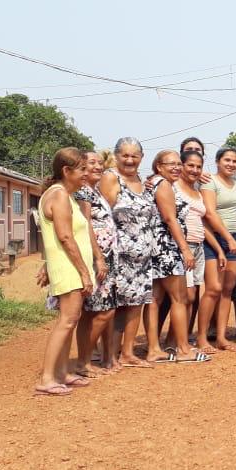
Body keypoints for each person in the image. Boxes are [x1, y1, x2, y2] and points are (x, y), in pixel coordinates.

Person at [35, 147, 95, 396]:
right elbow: (65, 237)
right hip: (68, 268)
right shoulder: (59, 195)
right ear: (67, 170)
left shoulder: (64, 195)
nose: (86, 174)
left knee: (71, 320)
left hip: (68, 267)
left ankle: (61, 373)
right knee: (67, 321)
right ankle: (47, 378)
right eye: (82, 169)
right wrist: (84, 272)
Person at [100, 137, 157, 369]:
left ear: (142, 157)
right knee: (115, 306)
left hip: (143, 257)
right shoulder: (111, 178)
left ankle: (128, 352)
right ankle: (108, 354)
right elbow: (103, 217)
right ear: (116, 156)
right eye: (125, 155)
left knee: (136, 304)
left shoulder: (143, 182)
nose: (130, 160)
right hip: (119, 255)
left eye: (134, 156)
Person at [145, 151, 200, 362]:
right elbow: (170, 219)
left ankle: (153, 349)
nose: (177, 167)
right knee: (180, 298)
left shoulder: (155, 183)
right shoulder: (164, 185)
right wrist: (185, 249)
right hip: (167, 247)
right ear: (159, 166)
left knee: (154, 299)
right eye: (171, 164)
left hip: (155, 246)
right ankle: (184, 350)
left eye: (179, 163)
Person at [72, 150, 115, 376]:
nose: (98, 166)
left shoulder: (94, 190)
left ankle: (85, 361)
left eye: (100, 163)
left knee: (93, 313)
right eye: (92, 163)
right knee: (103, 311)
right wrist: (98, 258)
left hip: (105, 257)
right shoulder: (83, 192)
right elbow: (85, 224)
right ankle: (83, 361)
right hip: (96, 259)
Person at [199, 148, 236, 351]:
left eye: (234, 161)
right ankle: (201, 338)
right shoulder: (209, 181)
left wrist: (233, 239)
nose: (231, 164)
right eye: (227, 160)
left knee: (227, 290)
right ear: (217, 162)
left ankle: (221, 337)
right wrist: (228, 239)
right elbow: (209, 213)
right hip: (215, 238)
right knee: (213, 289)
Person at [179, 150, 224, 357]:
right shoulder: (173, 187)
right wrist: (184, 248)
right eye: (190, 165)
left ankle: (183, 340)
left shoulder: (196, 192)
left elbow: (202, 224)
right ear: (181, 165)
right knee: (185, 296)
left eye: (198, 166)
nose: (195, 170)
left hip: (198, 246)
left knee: (190, 296)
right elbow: (170, 219)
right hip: (184, 247)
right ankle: (179, 343)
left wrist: (219, 249)